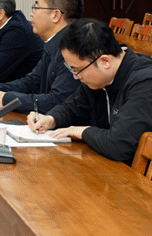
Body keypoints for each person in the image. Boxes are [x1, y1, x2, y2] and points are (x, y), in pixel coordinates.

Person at [27, 18, 152, 166]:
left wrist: (82, 132)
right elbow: (73, 108)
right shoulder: (98, 78)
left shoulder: (145, 83)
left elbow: (119, 145)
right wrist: (51, 119)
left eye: (77, 70)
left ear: (105, 62)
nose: (75, 77)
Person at [0, 0, 83, 112]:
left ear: (55, 15)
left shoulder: (73, 48)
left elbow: (57, 101)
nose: (31, 14)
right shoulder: (53, 42)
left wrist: (4, 99)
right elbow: (32, 82)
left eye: (36, 8)